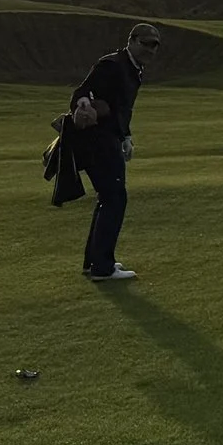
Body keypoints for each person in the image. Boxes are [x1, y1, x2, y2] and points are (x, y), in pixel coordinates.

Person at [68, 23, 161, 280]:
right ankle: (102, 267)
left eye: (154, 45)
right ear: (131, 40)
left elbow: (122, 109)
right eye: (145, 43)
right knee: (114, 198)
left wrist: (126, 136)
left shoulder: (135, 69)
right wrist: (84, 102)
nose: (150, 49)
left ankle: (94, 262)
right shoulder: (112, 64)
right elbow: (81, 91)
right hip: (97, 139)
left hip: (110, 138)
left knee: (108, 197)